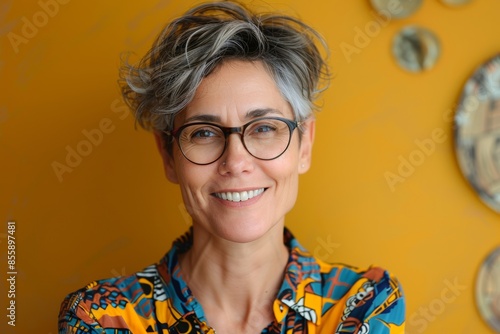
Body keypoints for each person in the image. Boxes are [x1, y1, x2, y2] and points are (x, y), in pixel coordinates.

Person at [58, 1, 406, 333]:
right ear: (168, 155)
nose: (236, 162)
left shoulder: (363, 304)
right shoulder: (101, 317)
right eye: (204, 132)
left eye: (265, 128)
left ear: (305, 144)